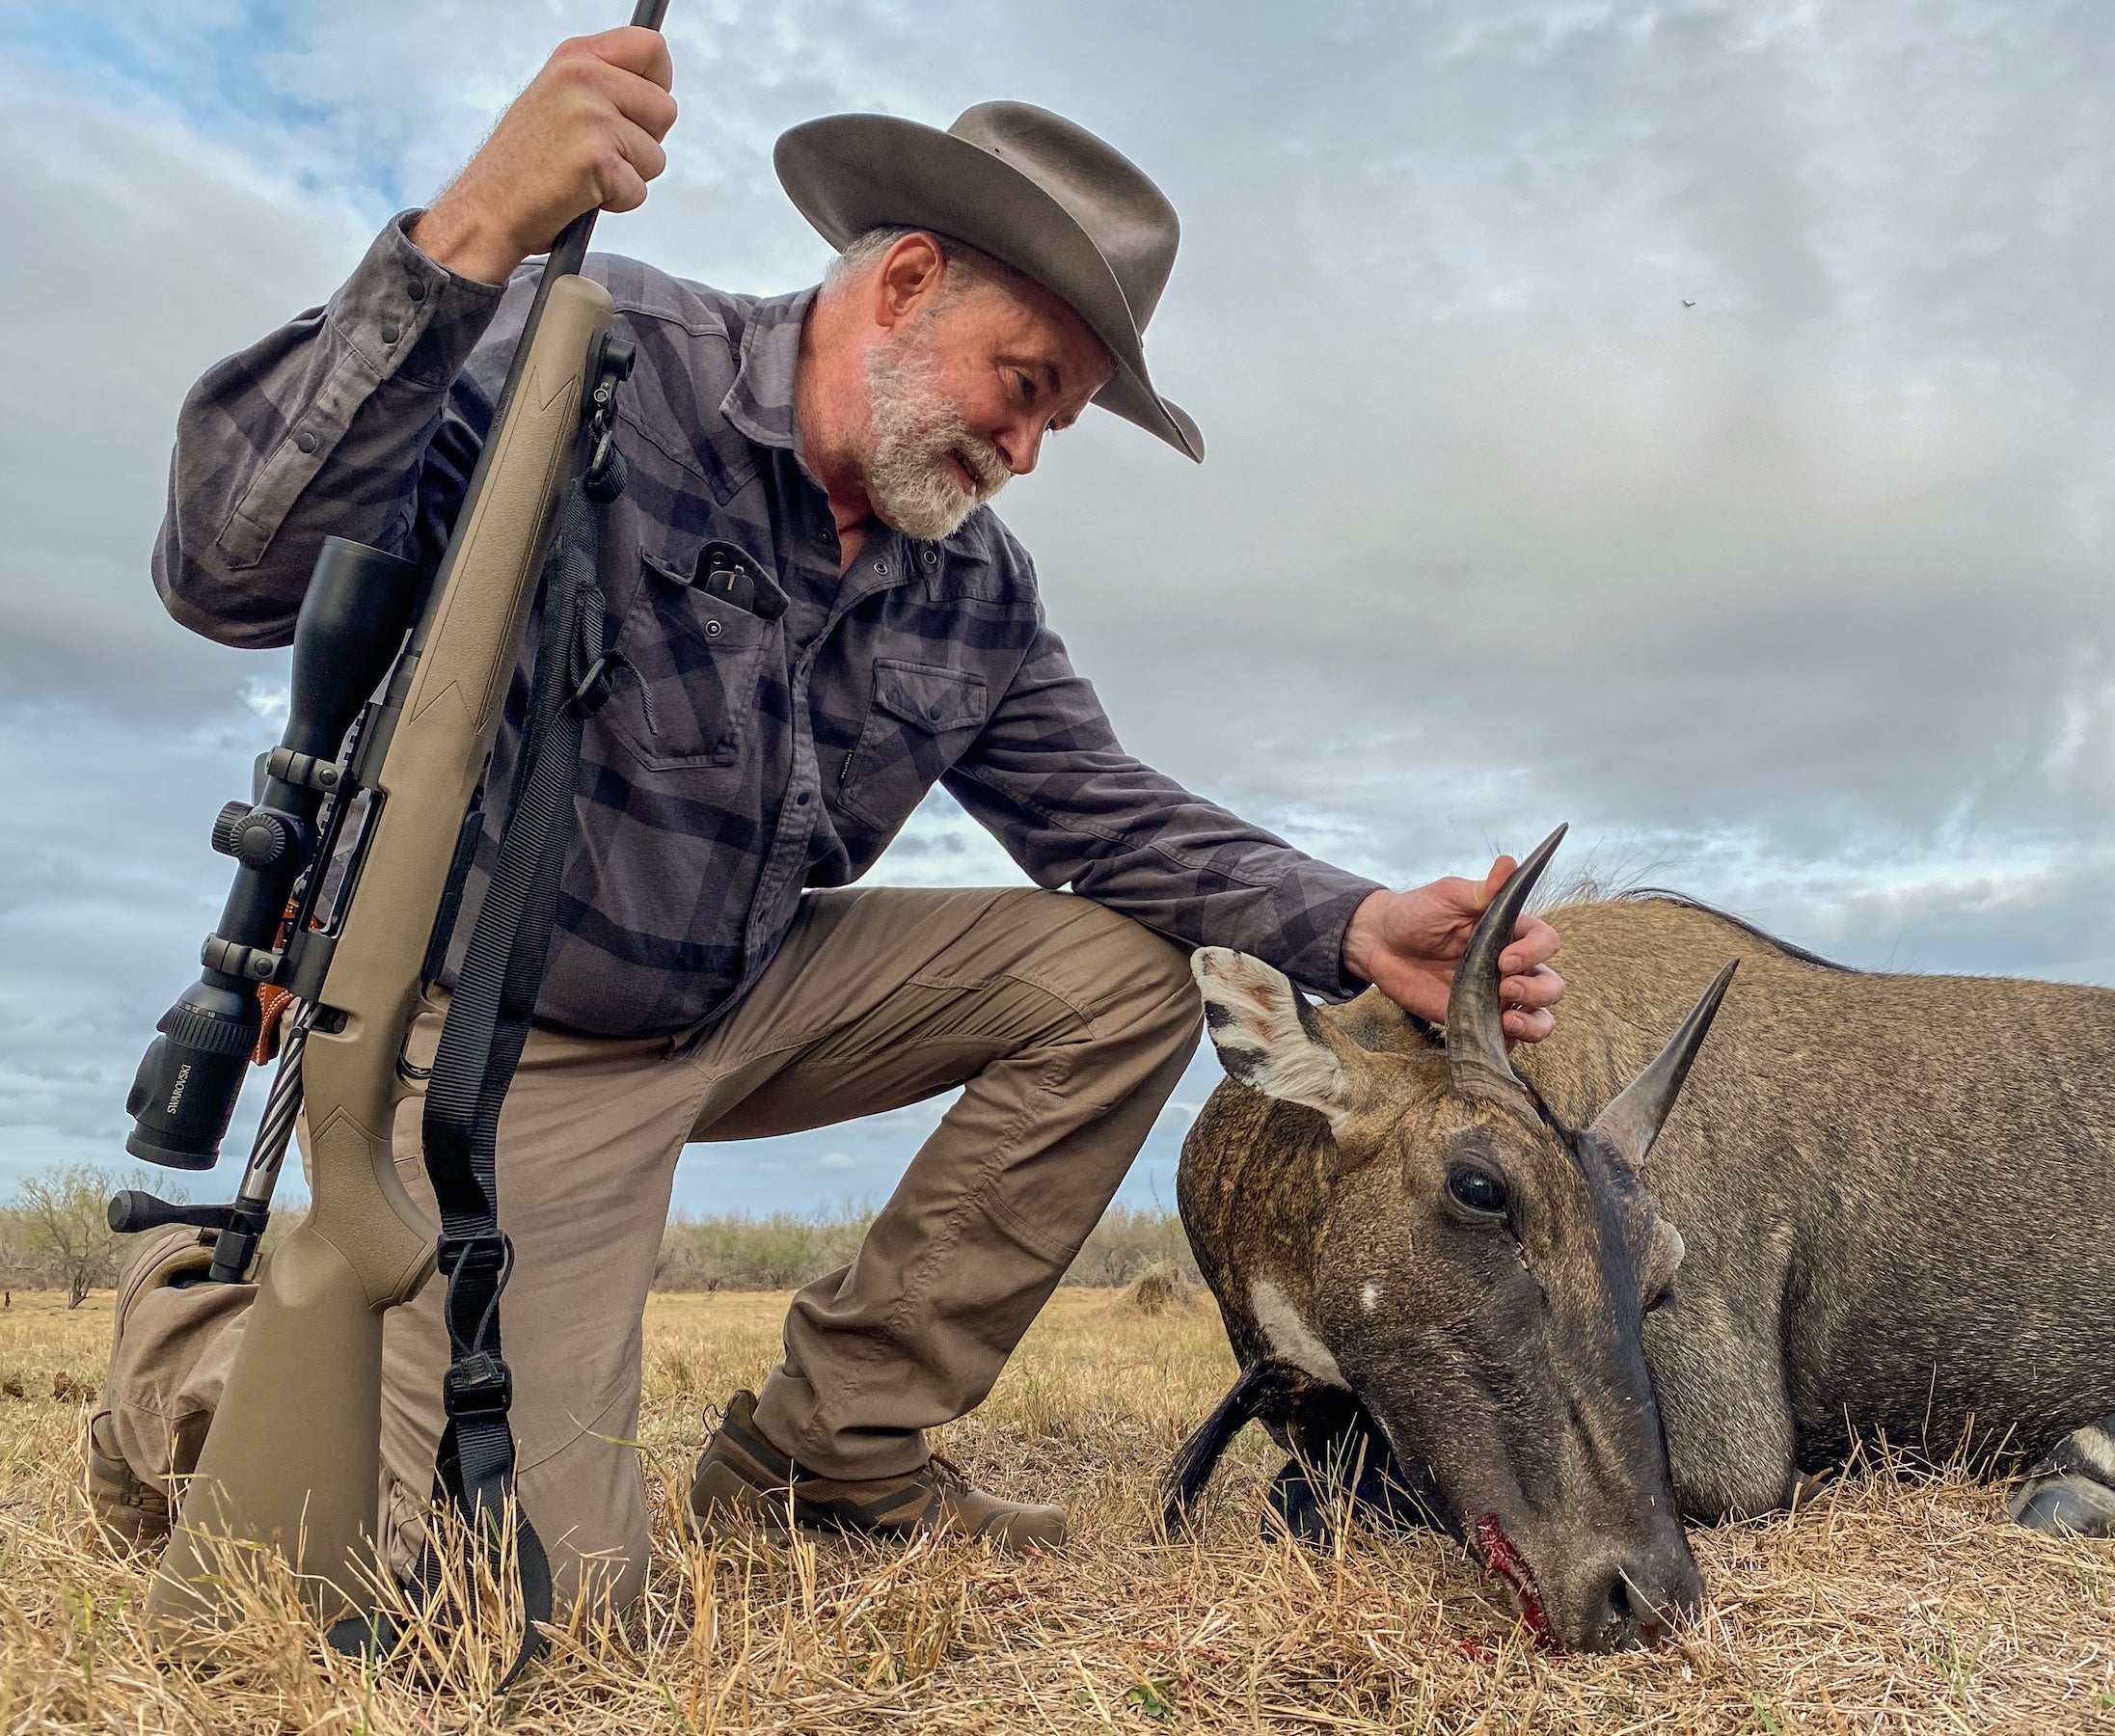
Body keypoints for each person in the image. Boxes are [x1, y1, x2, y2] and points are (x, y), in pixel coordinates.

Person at [91, 27, 1564, 1610]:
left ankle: (828, 1454)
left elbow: (1106, 813)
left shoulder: (974, 583)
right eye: (1025, 389)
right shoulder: (587, 351)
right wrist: (468, 233)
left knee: (1128, 976)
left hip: (742, 995)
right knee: (479, 1595)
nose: (1025, 449)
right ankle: (180, 1328)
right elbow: (226, 567)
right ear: (909, 281)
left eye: (1059, 422)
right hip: (503, 1034)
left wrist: (1349, 923)